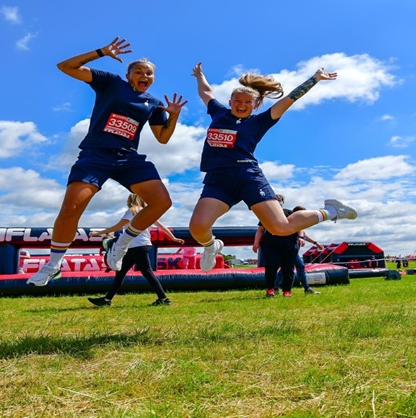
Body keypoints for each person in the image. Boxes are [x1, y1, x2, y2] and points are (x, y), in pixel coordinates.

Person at [28, 37, 187, 286]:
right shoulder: (111, 83)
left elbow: (163, 138)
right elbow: (65, 66)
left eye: (149, 73)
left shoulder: (154, 104)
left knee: (162, 201)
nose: (144, 75)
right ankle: (53, 264)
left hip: (128, 158)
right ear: (128, 75)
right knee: (71, 207)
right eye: (138, 71)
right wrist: (101, 52)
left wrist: (173, 117)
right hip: (95, 155)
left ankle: (121, 243)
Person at [188, 62, 357, 271]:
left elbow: (290, 99)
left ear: (255, 105)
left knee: (280, 227)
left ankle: (331, 211)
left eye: (247, 102)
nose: (241, 105)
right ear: (230, 102)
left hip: (247, 176)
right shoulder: (218, 113)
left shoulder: (260, 121)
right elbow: (206, 92)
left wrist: (315, 78)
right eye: (237, 101)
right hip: (218, 180)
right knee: (197, 227)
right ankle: (211, 246)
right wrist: (199, 75)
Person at [87, 194, 184, 307]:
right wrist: (173, 238)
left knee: (146, 272)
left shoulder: (131, 212)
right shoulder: (148, 212)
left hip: (136, 245)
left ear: (130, 201)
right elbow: (161, 226)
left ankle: (164, 299)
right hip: (140, 245)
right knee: (121, 272)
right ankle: (107, 299)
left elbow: (117, 227)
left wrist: (97, 233)